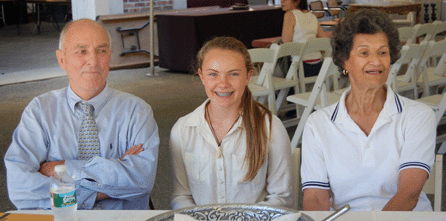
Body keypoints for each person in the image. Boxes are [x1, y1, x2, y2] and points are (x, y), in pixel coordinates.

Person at [4, 19, 159, 210]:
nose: (93, 61)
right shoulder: (40, 111)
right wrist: (112, 174)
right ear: (62, 59)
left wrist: (65, 168)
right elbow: (20, 188)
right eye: (81, 51)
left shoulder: (137, 112)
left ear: (109, 56)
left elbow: (141, 181)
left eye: (101, 51)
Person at [301, 9, 435, 211]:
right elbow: (315, 199)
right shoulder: (318, 124)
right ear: (344, 60)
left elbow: (408, 194)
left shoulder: (417, 116)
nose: (376, 61)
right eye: (364, 53)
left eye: (383, 52)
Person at [170, 37, 293, 209]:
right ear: (202, 76)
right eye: (213, 74)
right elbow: (181, 196)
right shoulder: (182, 130)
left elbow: (282, 198)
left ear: (248, 76)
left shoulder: (271, 127)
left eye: (233, 74)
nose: (223, 84)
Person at [280, 0, 327, 78]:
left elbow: (285, 43)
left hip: (300, 67)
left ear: (297, 1)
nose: (282, 1)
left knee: (273, 69)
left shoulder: (289, 15)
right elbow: (324, 40)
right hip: (318, 65)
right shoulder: (312, 15)